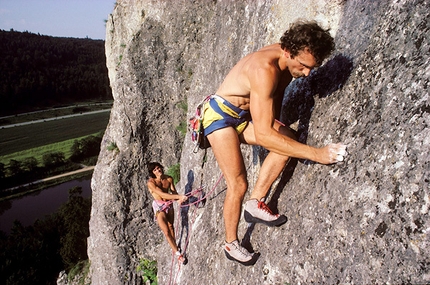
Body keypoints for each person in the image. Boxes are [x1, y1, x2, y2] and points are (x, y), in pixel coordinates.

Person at [201, 20, 347, 265]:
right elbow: (267, 134)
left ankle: (255, 204)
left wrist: (273, 127)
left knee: (287, 138)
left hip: (242, 117)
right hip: (219, 117)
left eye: (313, 67)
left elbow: (273, 102)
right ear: (288, 52)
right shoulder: (263, 69)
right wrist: (317, 154)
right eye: (304, 66)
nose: (308, 73)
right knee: (237, 183)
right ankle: (230, 244)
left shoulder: (288, 59)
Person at [147, 162, 188, 263]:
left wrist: (178, 199)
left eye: (158, 168)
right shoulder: (151, 183)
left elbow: (173, 192)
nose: (158, 170)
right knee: (166, 231)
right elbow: (161, 194)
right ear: (152, 173)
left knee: (170, 226)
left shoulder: (169, 179)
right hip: (159, 206)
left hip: (169, 205)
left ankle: (175, 247)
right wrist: (178, 197)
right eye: (155, 170)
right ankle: (178, 254)